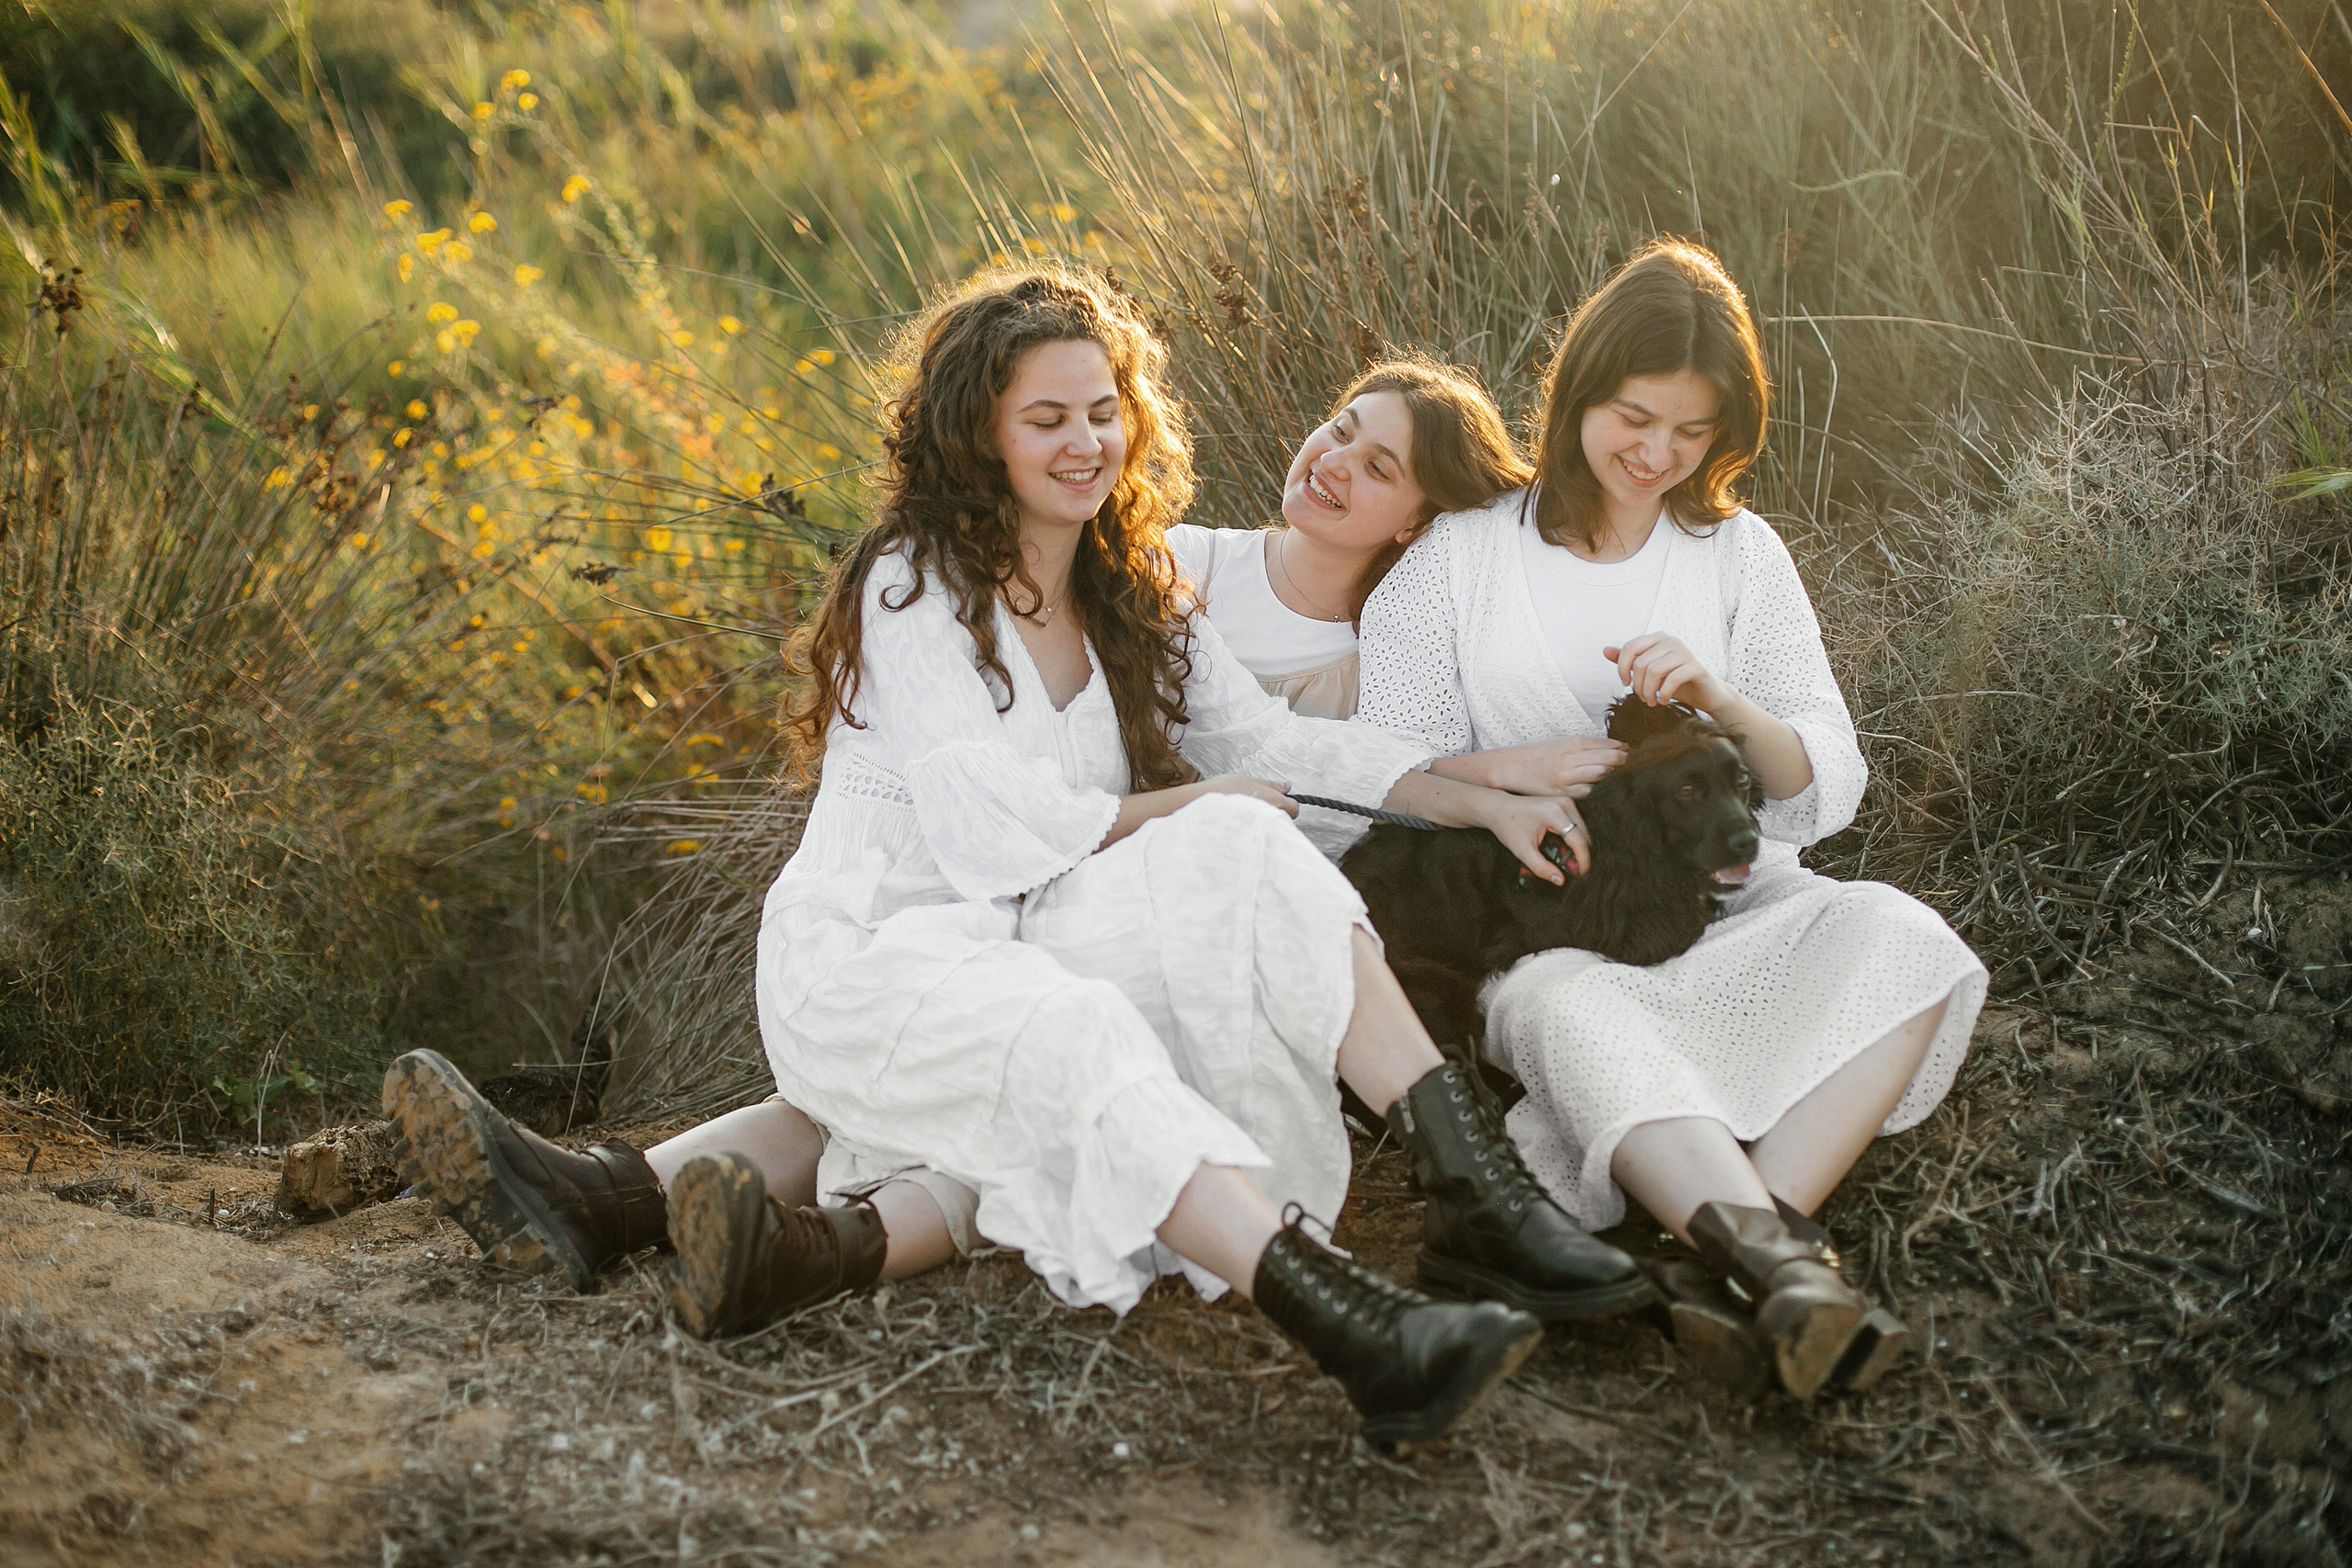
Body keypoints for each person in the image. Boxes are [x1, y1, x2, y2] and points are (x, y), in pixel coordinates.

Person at [383, 265, 1650, 1453]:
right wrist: (1191, 805)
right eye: (1047, 417)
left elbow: (1270, 740)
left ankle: (1472, 1192)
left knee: (1243, 852)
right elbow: (988, 826)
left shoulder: (1131, 582)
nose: (1085, 442)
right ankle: (1363, 1332)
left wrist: (1472, 793)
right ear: (978, 432)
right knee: (1094, 1008)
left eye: (1104, 411)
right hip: (872, 957)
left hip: (1021, 937)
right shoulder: (913, 585)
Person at [1355, 239, 1989, 1399]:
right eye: (1633, 418)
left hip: (1733, 894)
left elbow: (1820, 782)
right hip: (1560, 923)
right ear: (1578, 393)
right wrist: (1516, 772)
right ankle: (1778, 1274)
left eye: (1690, 434)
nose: (1655, 456)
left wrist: (1718, 698)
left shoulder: (1737, 552)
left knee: (1909, 941)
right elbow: (1385, 769)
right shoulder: (1460, 556)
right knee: (1566, 1015)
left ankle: (1740, 1269)